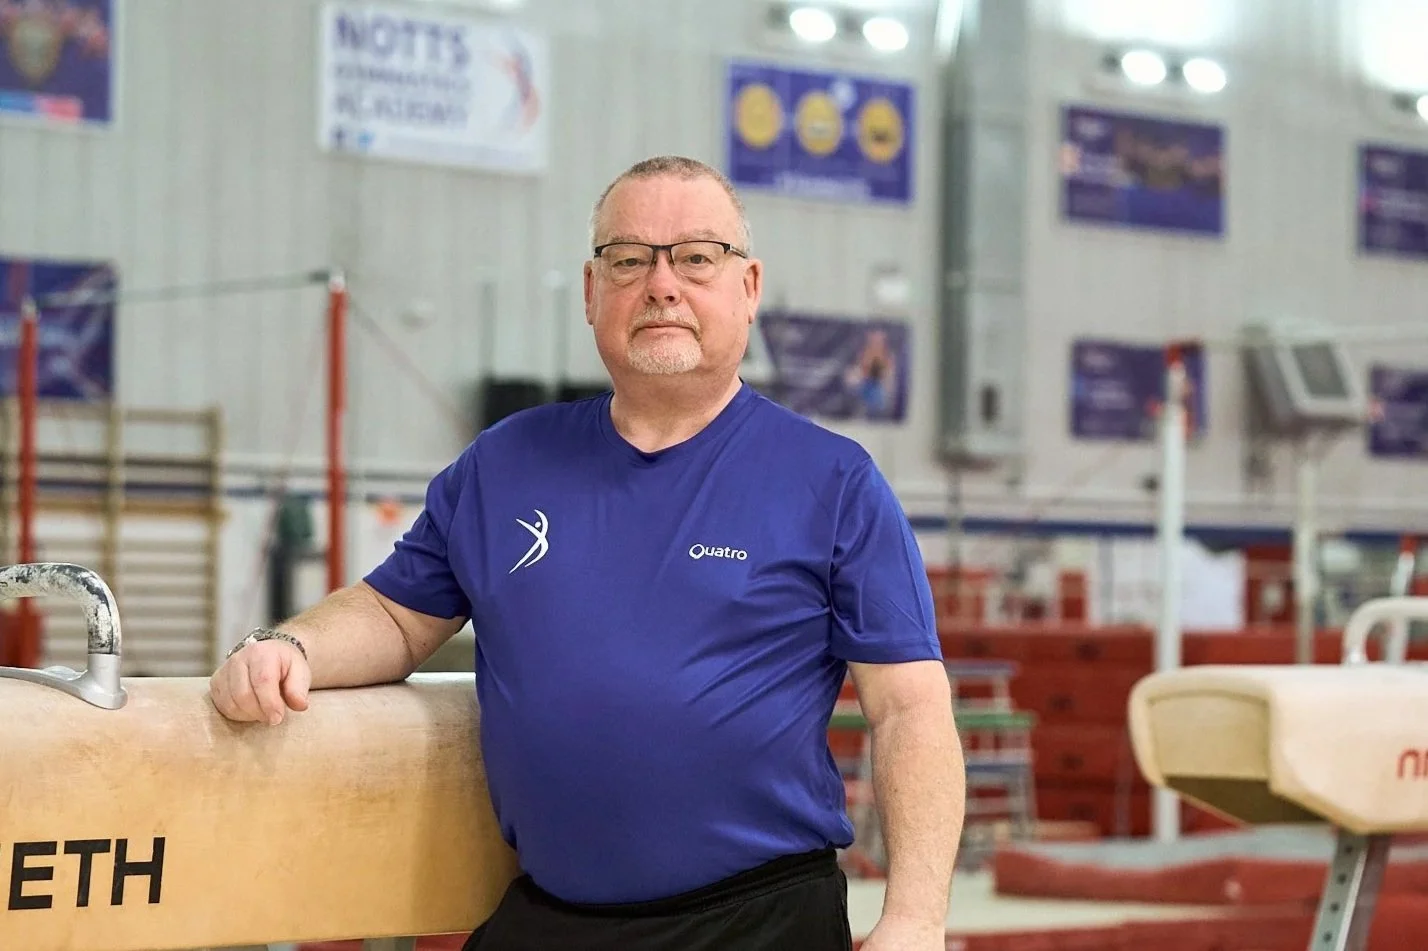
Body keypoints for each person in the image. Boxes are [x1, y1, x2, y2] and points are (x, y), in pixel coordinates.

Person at [210, 155, 966, 951]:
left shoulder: (831, 481)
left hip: (754, 916)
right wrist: (287, 646)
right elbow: (394, 617)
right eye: (629, 259)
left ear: (748, 289)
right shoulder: (506, 463)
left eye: (696, 257)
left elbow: (909, 706)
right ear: (591, 292)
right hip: (551, 911)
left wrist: (915, 918)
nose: (661, 284)